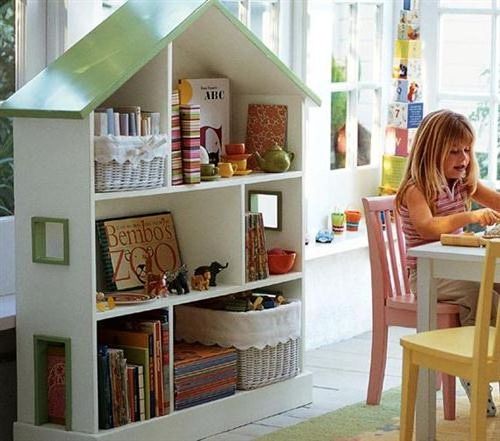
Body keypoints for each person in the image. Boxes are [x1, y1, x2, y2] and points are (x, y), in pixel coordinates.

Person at [395, 109, 500, 417]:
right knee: (476, 295)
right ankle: (473, 369)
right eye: (454, 150)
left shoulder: (462, 183)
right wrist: (469, 216)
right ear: (431, 151)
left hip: (456, 270)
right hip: (427, 276)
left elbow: (496, 200)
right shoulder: (417, 189)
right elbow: (428, 227)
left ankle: (490, 357)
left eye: (467, 149)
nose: (463, 157)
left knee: (495, 287)